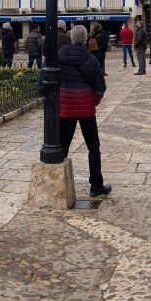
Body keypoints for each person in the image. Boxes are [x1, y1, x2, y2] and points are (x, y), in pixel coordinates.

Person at [58, 24, 111, 197]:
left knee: (62, 147)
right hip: (87, 110)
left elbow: (49, 82)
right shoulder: (91, 59)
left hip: (65, 110)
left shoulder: (59, 57)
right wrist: (92, 102)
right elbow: (100, 87)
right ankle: (96, 186)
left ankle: (59, 184)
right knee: (93, 147)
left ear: (71, 38)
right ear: (86, 38)